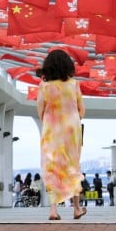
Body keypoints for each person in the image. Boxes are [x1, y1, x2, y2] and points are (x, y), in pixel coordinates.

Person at [36, 49, 87, 221]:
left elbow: (40, 111)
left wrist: (50, 123)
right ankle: (77, 208)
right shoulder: (74, 84)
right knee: (73, 166)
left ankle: (53, 209)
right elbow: (82, 110)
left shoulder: (44, 86)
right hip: (71, 130)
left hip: (51, 130)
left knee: (51, 167)